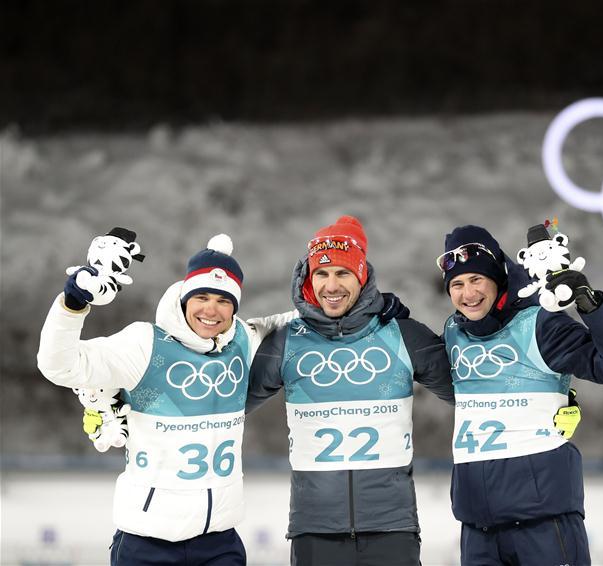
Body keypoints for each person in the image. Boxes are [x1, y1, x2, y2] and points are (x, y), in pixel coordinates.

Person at [37, 232, 277, 565]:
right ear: (184, 297)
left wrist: (370, 306)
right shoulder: (144, 343)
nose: (211, 309)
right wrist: (74, 303)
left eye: (223, 300)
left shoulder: (244, 340)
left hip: (219, 542)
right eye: (202, 296)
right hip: (147, 542)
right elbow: (59, 366)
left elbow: (301, 322)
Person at [245, 215, 456, 566]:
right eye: (322, 274)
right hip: (315, 531)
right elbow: (224, 404)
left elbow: (473, 393)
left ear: (362, 276)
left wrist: (552, 392)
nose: (331, 285)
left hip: (392, 529)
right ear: (309, 280)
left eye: (342, 273)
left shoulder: (402, 334)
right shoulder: (286, 342)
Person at [436, 224, 603, 566]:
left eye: (477, 280)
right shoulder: (454, 332)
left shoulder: (540, 324)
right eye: (457, 284)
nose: (467, 293)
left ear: (499, 278)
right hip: (478, 528)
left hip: (543, 524)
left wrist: (589, 304)